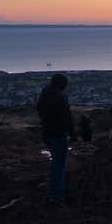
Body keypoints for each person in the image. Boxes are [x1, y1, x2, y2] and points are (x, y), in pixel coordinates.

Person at [37, 73, 76, 205]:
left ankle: (53, 190)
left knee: (55, 163)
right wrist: (73, 133)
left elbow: (40, 112)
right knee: (59, 165)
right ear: (62, 84)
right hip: (58, 134)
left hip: (46, 133)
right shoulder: (60, 97)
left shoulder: (44, 95)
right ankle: (56, 196)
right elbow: (67, 118)